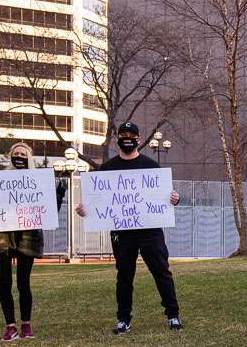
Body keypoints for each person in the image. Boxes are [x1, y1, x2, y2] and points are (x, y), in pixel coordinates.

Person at [75, 122, 184, 333]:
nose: (127, 138)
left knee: (162, 272)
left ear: (139, 139)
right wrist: (84, 210)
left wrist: (175, 199)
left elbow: (166, 197)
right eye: (123, 134)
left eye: (131, 135)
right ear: (116, 139)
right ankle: (124, 319)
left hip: (150, 231)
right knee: (124, 276)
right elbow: (95, 202)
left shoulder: (151, 166)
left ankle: (173, 316)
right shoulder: (106, 169)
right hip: (121, 233)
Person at [0, 143, 67, 341]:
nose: (19, 157)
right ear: (11, 157)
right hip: (2, 237)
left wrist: (59, 195)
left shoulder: (39, 183)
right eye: (16, 154)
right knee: (5, 283)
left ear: (29, 158)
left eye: (23, 154)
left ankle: (26, 325)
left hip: (28, 237)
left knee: (23, 283)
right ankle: (11, 327)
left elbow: (50, 212)